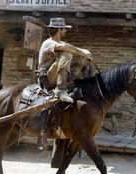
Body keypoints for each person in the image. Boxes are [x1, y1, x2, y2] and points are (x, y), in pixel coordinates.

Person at [37, 18, 92, 150]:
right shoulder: (48, 43)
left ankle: (80, 82)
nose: (66, 31)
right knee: (67, 53)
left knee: (78, 55)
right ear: (58, 30)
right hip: (46, 78)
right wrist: (82, 53)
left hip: (55, 74)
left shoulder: (59, 42)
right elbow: (67, 48)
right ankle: (61, 89)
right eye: (64, 29)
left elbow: (70, 47)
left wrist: (86, 52)